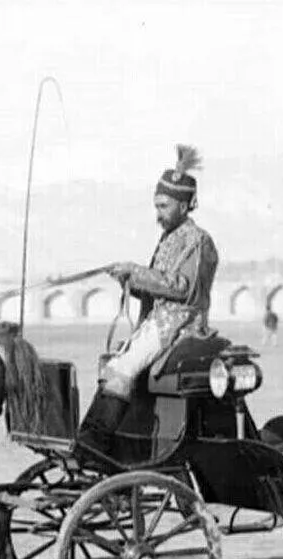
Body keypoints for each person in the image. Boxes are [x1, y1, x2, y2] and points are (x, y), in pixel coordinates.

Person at [76, 145, 219, 463]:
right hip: (159, 323)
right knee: (112, 366)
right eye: (156, 205)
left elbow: (183, 289)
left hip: (181, 328)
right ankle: (101, 442)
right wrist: (129, 280)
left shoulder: (199, 242)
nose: (158, 213)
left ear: (185, 205)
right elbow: (160, 291)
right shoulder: (170, 237)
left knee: (121, 369)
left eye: (164, 206)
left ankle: (94, 446)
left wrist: (137, 273)